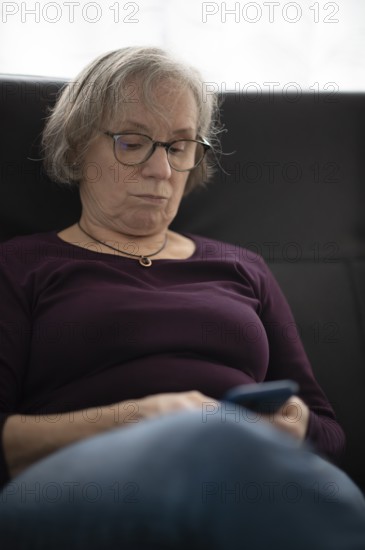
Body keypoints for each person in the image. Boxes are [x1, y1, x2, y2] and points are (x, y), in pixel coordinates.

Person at [0, 46, 364, 549]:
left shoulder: (242, 267)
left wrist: (294, 425)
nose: (163, 171)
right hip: (76, 484)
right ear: (78, 145)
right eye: (133, 142)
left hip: (251, 479)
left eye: (179, 146)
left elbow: (328, 433)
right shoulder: (20, 266)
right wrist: (148, 418)